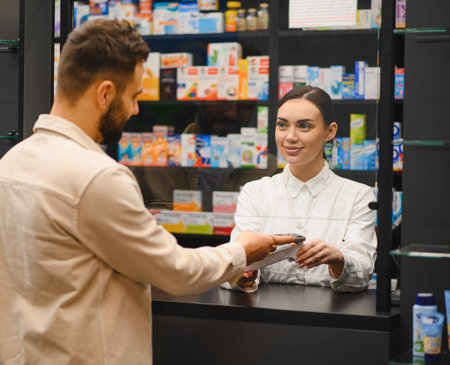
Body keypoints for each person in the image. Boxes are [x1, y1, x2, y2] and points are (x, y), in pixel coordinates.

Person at [0, 19, 294, 364]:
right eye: (134, 96)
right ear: (105, 93)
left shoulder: (13, 162)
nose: (136, 109)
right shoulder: (98, 177)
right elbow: (177, 272)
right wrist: (242, 251)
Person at [224, 86, 377, 293]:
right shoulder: (255, 192)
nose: (290, 137)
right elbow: (233, 264)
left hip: (335, 318)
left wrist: (338, 260)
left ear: (330, 131)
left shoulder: (358, 196)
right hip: (263, 317)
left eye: (304, 126)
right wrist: (243, 276)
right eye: (282, 125)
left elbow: (361, 276)